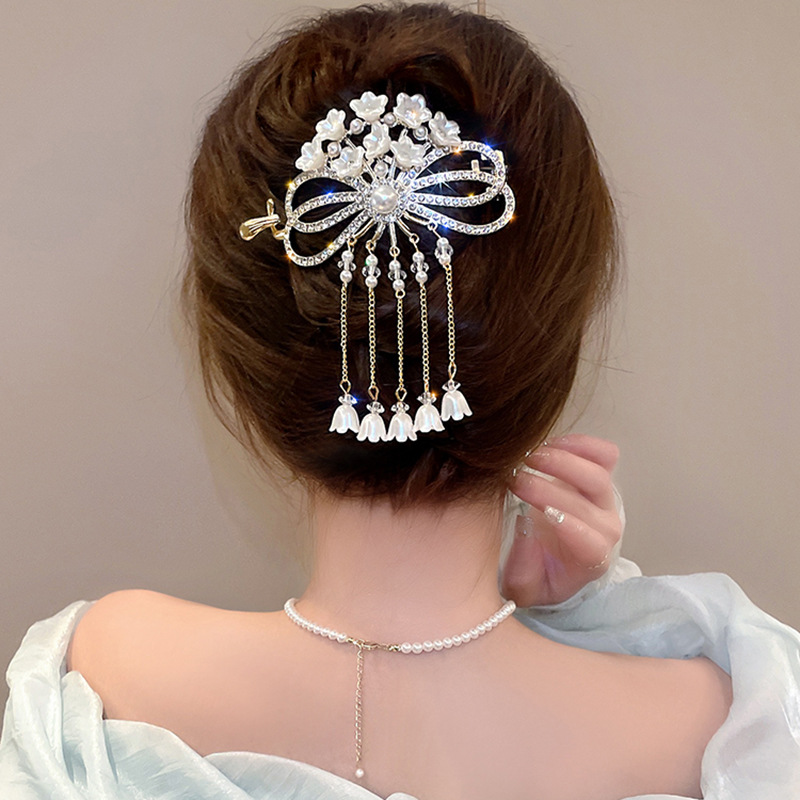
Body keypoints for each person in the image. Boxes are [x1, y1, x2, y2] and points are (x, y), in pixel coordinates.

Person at [1, 3, 798, 799]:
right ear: (554, 340)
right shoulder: (721, 727)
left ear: (240, 354)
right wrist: (587, 618)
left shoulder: (103, 673)